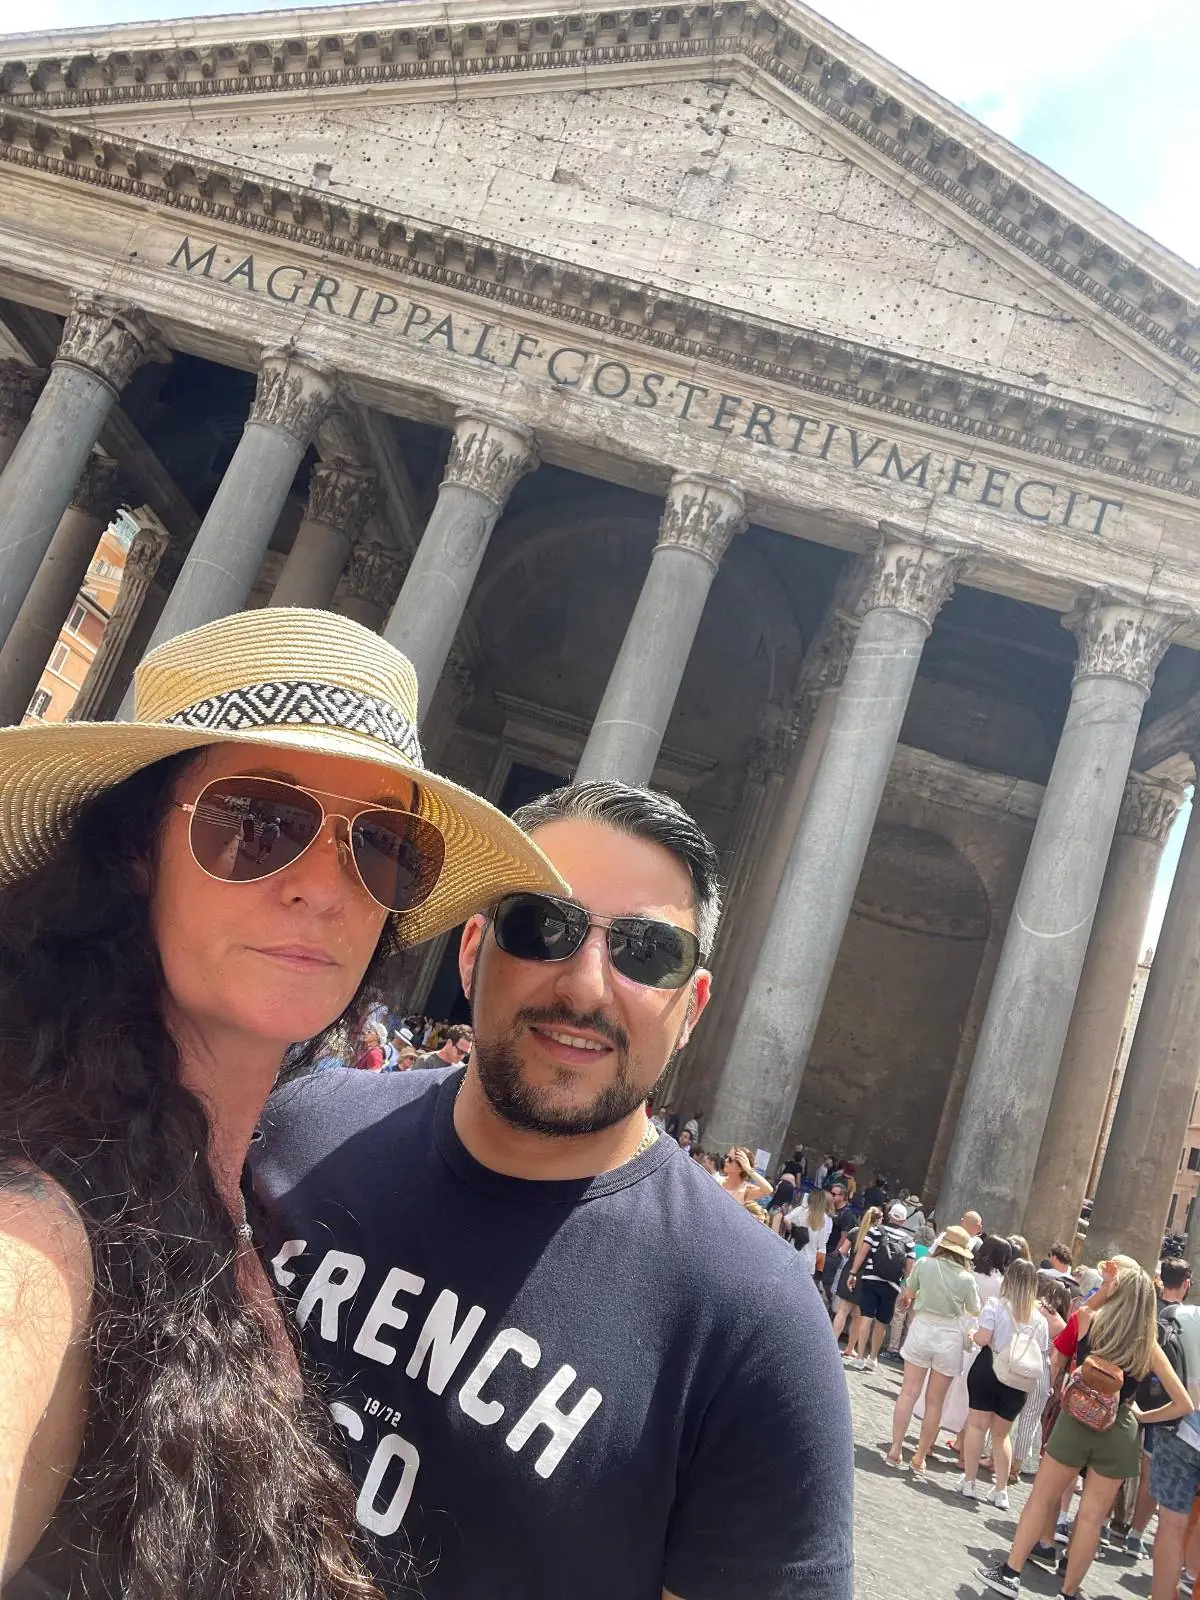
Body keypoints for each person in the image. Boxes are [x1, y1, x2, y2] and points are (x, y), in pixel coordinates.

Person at [0, 607, 566, 1598]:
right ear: (138, 848)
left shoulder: (243, 1194)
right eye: (258, 820)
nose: (325, 887)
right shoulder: (35, 1231)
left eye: (384, 846)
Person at [252, 780, 855, 1600]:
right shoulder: (291, 1130)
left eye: (647, 952)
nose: (586, 987)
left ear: (692, 1007)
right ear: (471, 952)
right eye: (542, 926)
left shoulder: (755, 1322)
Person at [977, 1260, 1192, 1600]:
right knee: (1091, 1519)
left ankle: (1010, 1572)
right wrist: (1138, 1416)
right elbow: (1183, 1403)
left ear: (1116, 1293)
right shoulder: (1147, 1344)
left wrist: (1104, 1291)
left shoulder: (1092, 1321)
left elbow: (1075, 1318)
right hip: (1118, 1427)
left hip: (1076, 1418)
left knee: (1041, 1497)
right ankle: (1069, 1591)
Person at [884, 1225, 981, 1474]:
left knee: (908, 1392)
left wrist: (912, 1300)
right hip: (948, 1335)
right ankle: (919, 1456)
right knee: (935, 1403)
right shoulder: (967, 1278)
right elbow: (974, 1309)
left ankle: (895, 1449)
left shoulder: (925, 1264)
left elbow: (909, 1292)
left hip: (922, 1327)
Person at [959, 1260, 1049, 1510]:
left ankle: (969, 1482)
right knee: (1002, 1435)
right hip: (1018, 1378)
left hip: (989, 1367)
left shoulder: (996, 1305)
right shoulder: (1040, 1319)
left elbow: (984, 1338)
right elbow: (1041, 1351)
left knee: (976, 1427)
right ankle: (1001, 1491)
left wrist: (972, 1336)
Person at [846, 1201, 915, 1371]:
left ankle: (860, 1356)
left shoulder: (875, 1231)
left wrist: (853, 1273)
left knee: (866, 1317)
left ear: (889, 1215)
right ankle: (873, 1358)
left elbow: (862, 1253)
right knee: (882, 1322)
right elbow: (909, 1269)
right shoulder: (909, 1241)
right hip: (892, 1285)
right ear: (904, 1221)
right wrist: (907, 1292)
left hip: (870, 1278)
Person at [832, 1206, 882, 1349]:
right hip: (866, 1275)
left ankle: (833, 1342)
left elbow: (843, 1250)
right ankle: (850, 1349)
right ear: (878, 1220)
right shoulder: (878, 1236)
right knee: (858, 1315)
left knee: (843, 1310)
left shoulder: (855, 1231)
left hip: (849, 1271)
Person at [786, 1186, 834, 1284]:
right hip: (809, 1261)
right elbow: (822, 1245)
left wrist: (793, 1230)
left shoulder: (801, 1210)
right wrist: (819, 1270)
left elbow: (786, 1219)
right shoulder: (825, 1219)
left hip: (792, 1252)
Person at [820, 1180, 857, 1307]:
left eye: (835, 1194)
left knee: (827, 1283)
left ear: (843, 1197)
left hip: (832, 1253)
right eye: (831, 1193)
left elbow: (845, 1235)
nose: (831, 1196)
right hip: (823, 1249)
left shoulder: (847, 1214)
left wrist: (836, 1252)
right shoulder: (829, 1210)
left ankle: (830, 1306)